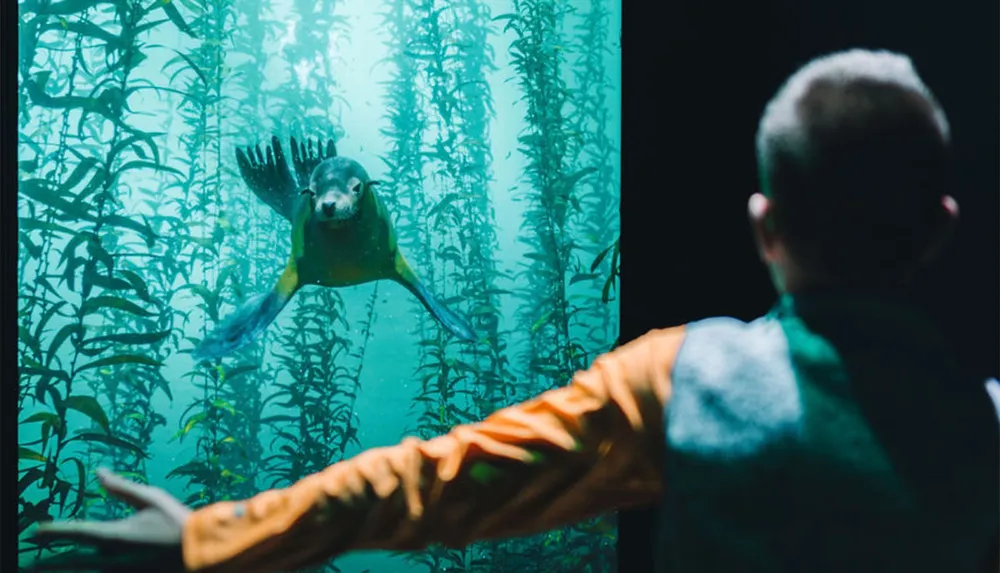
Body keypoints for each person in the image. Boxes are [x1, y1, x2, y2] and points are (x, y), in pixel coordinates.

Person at [28, 48, 999, 573]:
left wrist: (212, 536)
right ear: (942, 229)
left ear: (763, 225)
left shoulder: (681, 380)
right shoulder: (984, 425)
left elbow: (438, 483)